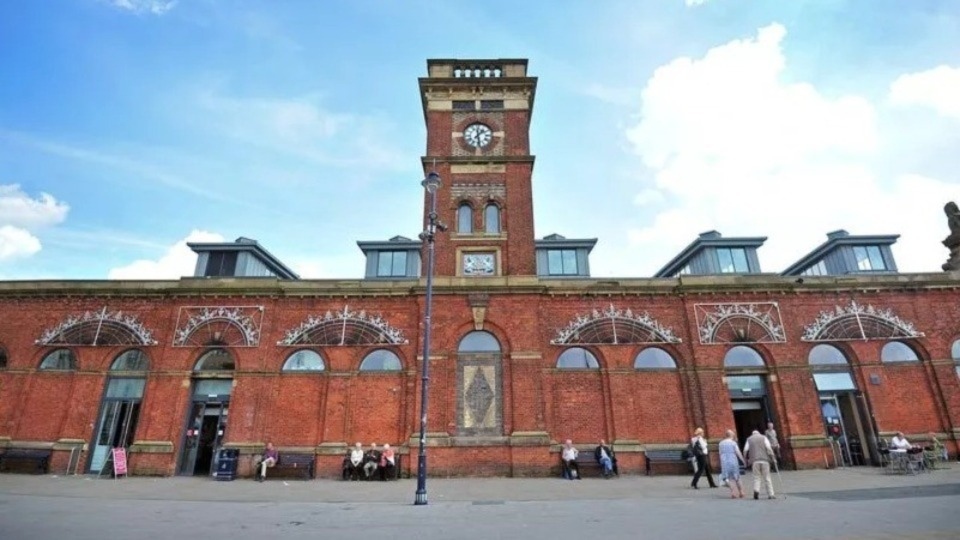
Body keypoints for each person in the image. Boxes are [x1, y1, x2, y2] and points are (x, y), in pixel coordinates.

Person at [744, 429, 776, 499]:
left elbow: (745, 450)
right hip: (765, 460)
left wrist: (745, 459)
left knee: (757, 477)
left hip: (755, 461)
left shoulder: (749, 439)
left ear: (753, 434)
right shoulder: (763, 437)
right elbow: (768, 448)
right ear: (759, 433)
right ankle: (771, 494)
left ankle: (756, 490)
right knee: (767, 477)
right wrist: (773, 457)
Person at [718, 430, 745, 499]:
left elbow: (720, 453)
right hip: (733, 461)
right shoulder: (733, 443)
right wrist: (743, 461)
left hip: (725, 462)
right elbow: (738, 452)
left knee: (730, 478)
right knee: (737, 477)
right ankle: (741, 492)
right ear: (732, 435)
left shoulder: (721, 443)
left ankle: (733, 493)